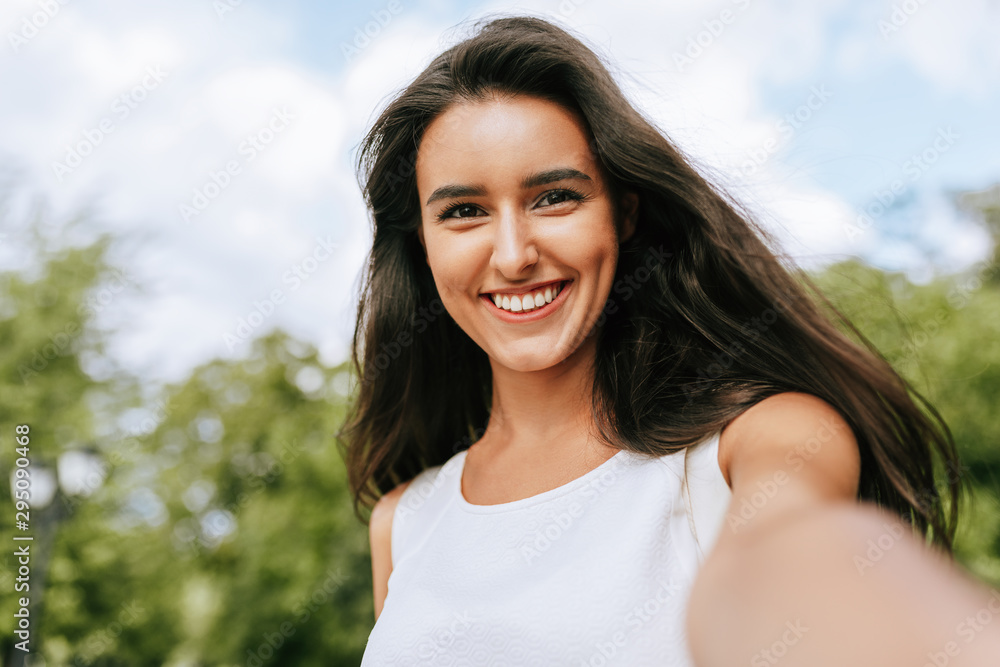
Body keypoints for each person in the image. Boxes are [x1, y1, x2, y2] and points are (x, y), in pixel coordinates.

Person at [340, 14, 1000, 666]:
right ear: (421, 244)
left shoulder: (758, 441)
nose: (513, 255)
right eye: (464, 212)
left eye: (555, 198)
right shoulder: (402, 523)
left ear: (624, 212)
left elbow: (795, 564)